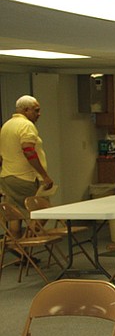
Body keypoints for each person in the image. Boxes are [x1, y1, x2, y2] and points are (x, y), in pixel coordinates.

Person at [0, 95, 54, 237]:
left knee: (15, 215)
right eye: (36, 110)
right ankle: (27, 244)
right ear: (26, 110)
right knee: (44, 210)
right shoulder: (26, 126)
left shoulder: (6, 126)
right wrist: (44, 175)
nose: (39, 114)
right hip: (25, 177)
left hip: (7, 176)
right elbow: (29, 151)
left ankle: (16, 247)